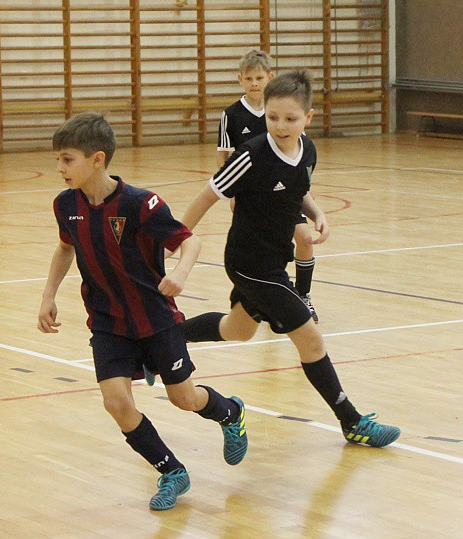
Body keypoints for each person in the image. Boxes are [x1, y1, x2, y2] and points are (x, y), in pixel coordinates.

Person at [37, 112, 248, 511]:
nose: (59, 168)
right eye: (58, 160)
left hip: (154, 319)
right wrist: (49, 295)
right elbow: (66, 248)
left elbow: (190, 242)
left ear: (96, 159)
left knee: (184, 398)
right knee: (116, 402)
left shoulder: (140, 203)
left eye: (67, 159)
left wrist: (181, 274)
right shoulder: (65, 205)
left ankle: (230, 411)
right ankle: (171, 470)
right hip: (106, 321)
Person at [179, 71, 400, 447]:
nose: (280, 126)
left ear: (308, 118)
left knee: (238, 329)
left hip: (274, 259)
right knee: (311, 340)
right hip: (250, 264)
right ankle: (352, 422)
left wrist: (317, 214)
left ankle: (159, 339)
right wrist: (176, 238)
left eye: (290, 118)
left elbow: (298, 190)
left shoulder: (308, 151)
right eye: (272, 117)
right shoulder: (251, 155)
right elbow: (207, 195)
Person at [218, 50, 318, 322]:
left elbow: (299, 173)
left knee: (305, 238)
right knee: (241, 323)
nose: (253, 83)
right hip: (254, 193)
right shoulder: (234, 117)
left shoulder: (298, 135)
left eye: (259, 77)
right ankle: (256, 289)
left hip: (285, 196)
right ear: (240, 80)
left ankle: (302, 295)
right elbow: (223, 166)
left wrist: (317, 214)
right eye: (248, 78)